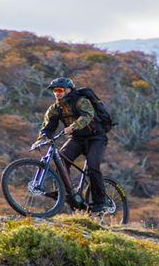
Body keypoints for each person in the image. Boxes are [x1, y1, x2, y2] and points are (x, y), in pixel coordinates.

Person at [37, 77, 108, 212]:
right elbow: (47, 127)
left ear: (69, 90)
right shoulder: (55, 108)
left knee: (93, 166)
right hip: (77, 139)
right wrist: (41, 139)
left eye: (59, 90)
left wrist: (74, 126)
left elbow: (88, 115)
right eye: (54, 91)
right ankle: (64, 191)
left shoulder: (81, 101)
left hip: (96, 138)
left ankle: (100, 203)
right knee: (61, 159)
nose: (57, 93)